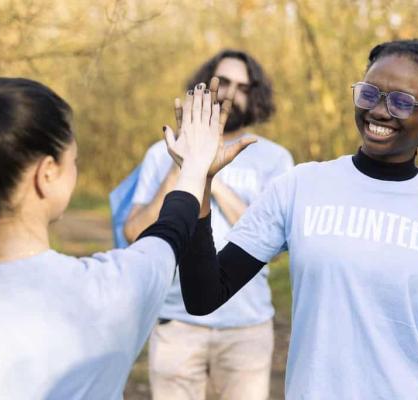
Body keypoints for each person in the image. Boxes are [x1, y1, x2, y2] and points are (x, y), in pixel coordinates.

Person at [172, 40, 418, 399]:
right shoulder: (301, 187)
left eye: (401, 101)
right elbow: (204, 296)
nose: (379, 111)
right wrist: (201, 180)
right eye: (369, 93)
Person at [0, 77, 246, 399]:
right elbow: (170, 231)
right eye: (72, 162)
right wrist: (194, 167)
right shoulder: (111, 293)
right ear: (46, 175)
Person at [123, 49, 293, 400]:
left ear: (255, 96)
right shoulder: (161, 151)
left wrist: (208, 174)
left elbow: (273, 247)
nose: (231, 92)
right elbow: (135, 233)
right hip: (177, 324)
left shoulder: (275, 158)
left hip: (247, 327)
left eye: (243, 87)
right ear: (206, 84)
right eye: (224, 81)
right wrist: (185, 163)